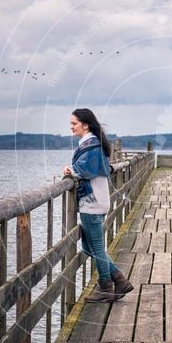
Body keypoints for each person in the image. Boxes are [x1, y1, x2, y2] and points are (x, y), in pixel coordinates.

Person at [62, 108, 133, 303]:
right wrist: (74, 170)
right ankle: (119, 280)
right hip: (96, 201)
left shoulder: (92, 144)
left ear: (86, 124)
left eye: (74, 124)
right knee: (89, 246)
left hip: (91, 204)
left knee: (97, 248)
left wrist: (70, 170)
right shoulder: (93, 143)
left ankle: (106, 287)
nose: (71, 127)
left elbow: (86, 169)